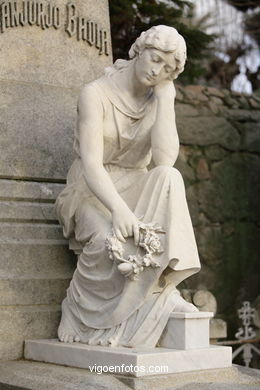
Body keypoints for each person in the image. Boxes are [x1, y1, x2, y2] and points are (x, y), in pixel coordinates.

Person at [56, 25, 201, 348]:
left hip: (134, 180)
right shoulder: (95, 93)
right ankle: (79, 313)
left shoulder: (158, 95)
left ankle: (162, 294)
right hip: (90, 188)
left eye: (167, 67)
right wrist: (120, 211)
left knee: (169, 178)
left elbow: (164, 160)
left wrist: (167, 100)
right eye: (155, 59)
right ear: (139, 50)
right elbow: (92, 164)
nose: (157, 69)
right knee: (110, 239)